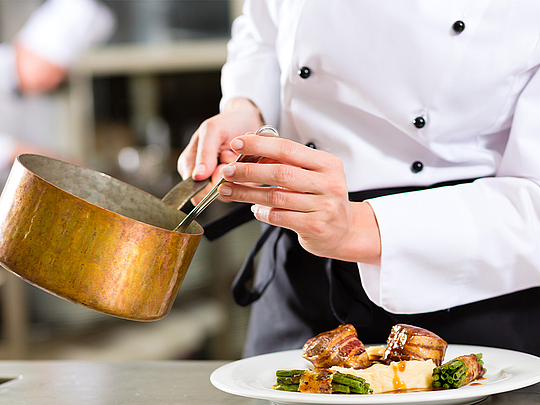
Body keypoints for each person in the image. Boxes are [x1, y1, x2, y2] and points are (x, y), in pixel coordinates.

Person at [178, 1, 540, 357]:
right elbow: (261, 31)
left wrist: (354, 227)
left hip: (452, 277)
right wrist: (248, 110)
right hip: (298, 265)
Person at [0, 0, 115, 177]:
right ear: (25, 48)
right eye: (49, 70)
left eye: (59, 76)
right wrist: (48, 159)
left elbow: (40, 143)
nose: (52, 81)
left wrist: (64, 161)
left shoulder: (35, 97)